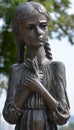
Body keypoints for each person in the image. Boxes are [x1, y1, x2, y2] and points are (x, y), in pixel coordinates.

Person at [3, 1, 70, 130]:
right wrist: (28, 88)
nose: (39, 32)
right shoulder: (16, 71)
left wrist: (39, 88)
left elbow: (63, 115)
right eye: (30, 27)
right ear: (19, 33)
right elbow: (10, 116)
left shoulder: (57, 68)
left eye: (43, 26)